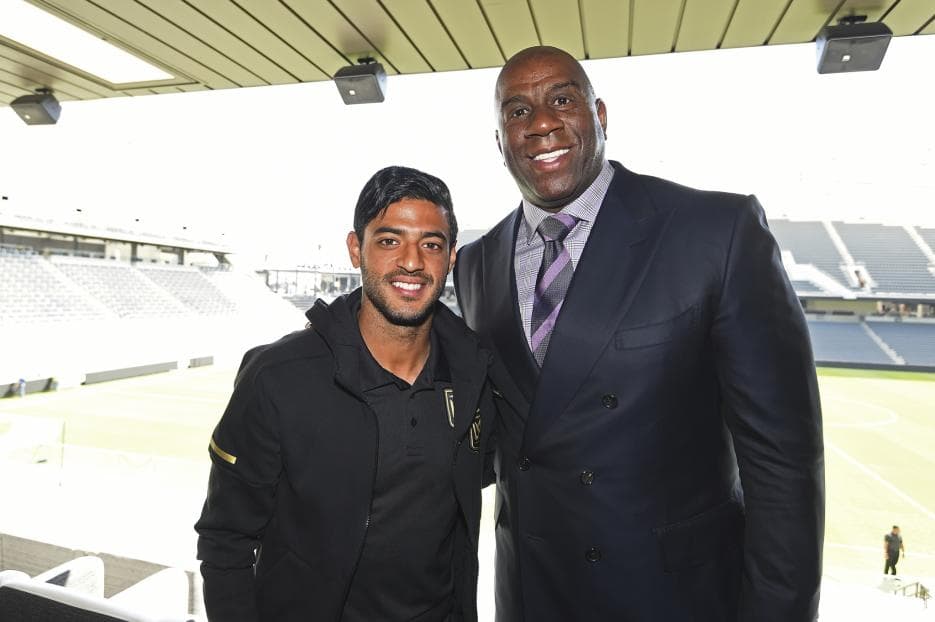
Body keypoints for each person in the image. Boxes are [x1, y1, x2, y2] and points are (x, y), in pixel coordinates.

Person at [454, 46, 825, 622]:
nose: (542, 123)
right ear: (499, 141)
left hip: (671, 597)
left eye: (561, 99)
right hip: (532, 595)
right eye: (517, 111)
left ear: (598, 116)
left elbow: (783, 464)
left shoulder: (714, 232)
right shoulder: (475, 263)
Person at [196, 166, 495, 622]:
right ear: (357, 249)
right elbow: (225, 543)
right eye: (389, 240)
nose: (412, 262)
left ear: (451, 257)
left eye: (431, 244)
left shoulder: (475, 372)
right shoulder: (277, 377)